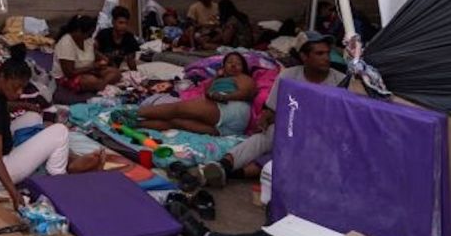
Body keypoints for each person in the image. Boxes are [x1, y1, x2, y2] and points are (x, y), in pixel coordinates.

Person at [0, 45, 107, 211]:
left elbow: (3, 105)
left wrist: (23, 105)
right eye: (15, 87)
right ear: (3, 77)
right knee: (59, 131)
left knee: (34, 117)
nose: (19, 92)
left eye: (22, 88)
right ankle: (57, 178)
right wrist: (13, 193)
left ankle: (67, 159)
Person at [205, 32, 346, 180]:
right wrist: (265, 118)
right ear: (304, 57)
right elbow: (271, 109)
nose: (326, 58)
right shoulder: (288, 76)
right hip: (291, 130)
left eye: (327, 53)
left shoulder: (341, 81)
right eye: (319, 53)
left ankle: (232, 175)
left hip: (322, 139)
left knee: (292, 154)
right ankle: (224, 164)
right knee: (266, 135)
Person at [134, 53, 256, 136]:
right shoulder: (218, 79)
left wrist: (224, 97)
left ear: (243, 68)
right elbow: (208, 92)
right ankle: (135, 123)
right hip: (227, 129)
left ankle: (133, 114)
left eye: (238, 63)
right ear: (223, 66)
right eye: (230, 62)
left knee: (177, 108)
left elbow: (246, 93)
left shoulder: (242, 77)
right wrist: (217, 77)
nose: (234, 65)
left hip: (233, 109)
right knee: (175, 122)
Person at [52, 15, 120, 93]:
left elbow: (93, 53)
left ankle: (101, 85)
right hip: (68, 76)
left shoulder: (87, 40)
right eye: (88, 34)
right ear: (78, 31)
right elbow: (69, 73)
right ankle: (100, 84)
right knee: (91, 80)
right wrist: (92, 67)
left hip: (88, 71)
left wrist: (104, 59)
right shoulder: (66, 43)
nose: (89, 37)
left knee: (115, 72)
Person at [94, 6, 140, 71]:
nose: (123, 26)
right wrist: (105, 59)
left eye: (126, 23)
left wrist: (135, 74)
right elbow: (93, 51)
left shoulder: (129, 38)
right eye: (120, 23)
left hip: (114, 70)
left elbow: (131, 60)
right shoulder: (103, 34)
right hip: (100, 68)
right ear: (113, 22)